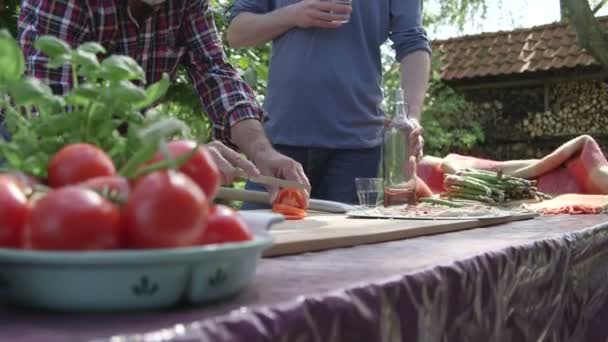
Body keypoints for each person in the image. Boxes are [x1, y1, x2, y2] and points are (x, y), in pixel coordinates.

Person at [17, 0, 310, 200]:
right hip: (34, 150)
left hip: (128, 157)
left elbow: (213, 70)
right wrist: (173, 154)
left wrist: (261, 151)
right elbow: (52, 109)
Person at [227, 0, 431, 206]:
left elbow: (413, 40)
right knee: (265, 236)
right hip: (278, 145)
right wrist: (293, 14)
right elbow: (236, 33)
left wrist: (411, 117)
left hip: (356, 151)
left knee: (347, 239)